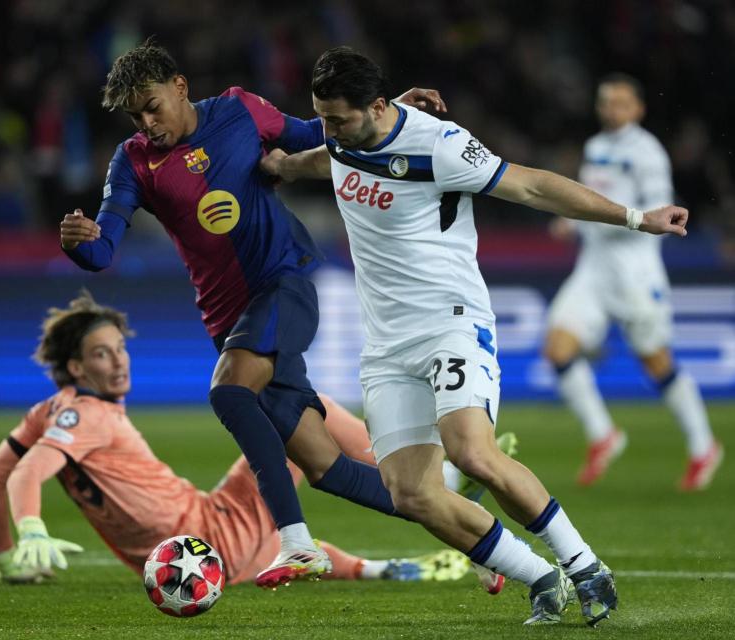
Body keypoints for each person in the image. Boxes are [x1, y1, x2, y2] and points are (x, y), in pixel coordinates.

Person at [260, 46, 690, 626]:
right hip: (387, 345)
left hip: (450, 320)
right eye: (322, 117)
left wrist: (637, 218)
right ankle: (539, 576)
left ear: (377, 106)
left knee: (470, 452)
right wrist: (281, 167)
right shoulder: (343, 137)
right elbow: (325, 159)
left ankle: (585, 566)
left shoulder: (438, 144)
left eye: (337, 119)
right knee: (411, 494)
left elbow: (532, 187)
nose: (329, 129)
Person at [58, 40, 449, 588]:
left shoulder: (240, 110)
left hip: (284, 285)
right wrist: (79, 241)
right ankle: (471, 531)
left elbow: (317, 133)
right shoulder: (133, 161)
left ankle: (295, 543)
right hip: (229, 324)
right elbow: (101, 252)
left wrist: (391, 113)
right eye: (135, 115)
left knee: (229, 391)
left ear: (180, 88)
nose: (146, 122)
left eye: (152, 106)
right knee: (327, 470)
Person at [0, 291, 504, 594]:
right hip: (205, 538)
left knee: (274, 503)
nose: (119, 360)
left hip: (191, 547)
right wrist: (32, 525)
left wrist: (7, 559)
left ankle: (382, 565)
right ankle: (448, 494)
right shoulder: (86, 415)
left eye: (119, 348)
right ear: (75, 367)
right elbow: (24, 475)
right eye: (102, 353)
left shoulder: (47, 413)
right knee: (304, 417)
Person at [542, 73, 723, 490]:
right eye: (606, 102)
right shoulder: (596, 147)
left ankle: (703, 446)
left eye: (621, 103)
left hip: (634, 270)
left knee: (654, 359)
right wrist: (572, 220)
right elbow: (588, 196)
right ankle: (603, 434)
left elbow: (658, 212)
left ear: (638, 109)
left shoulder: (648, 152)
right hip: (593, 267)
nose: (612, 109)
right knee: (557, 347)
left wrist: (600, 219)